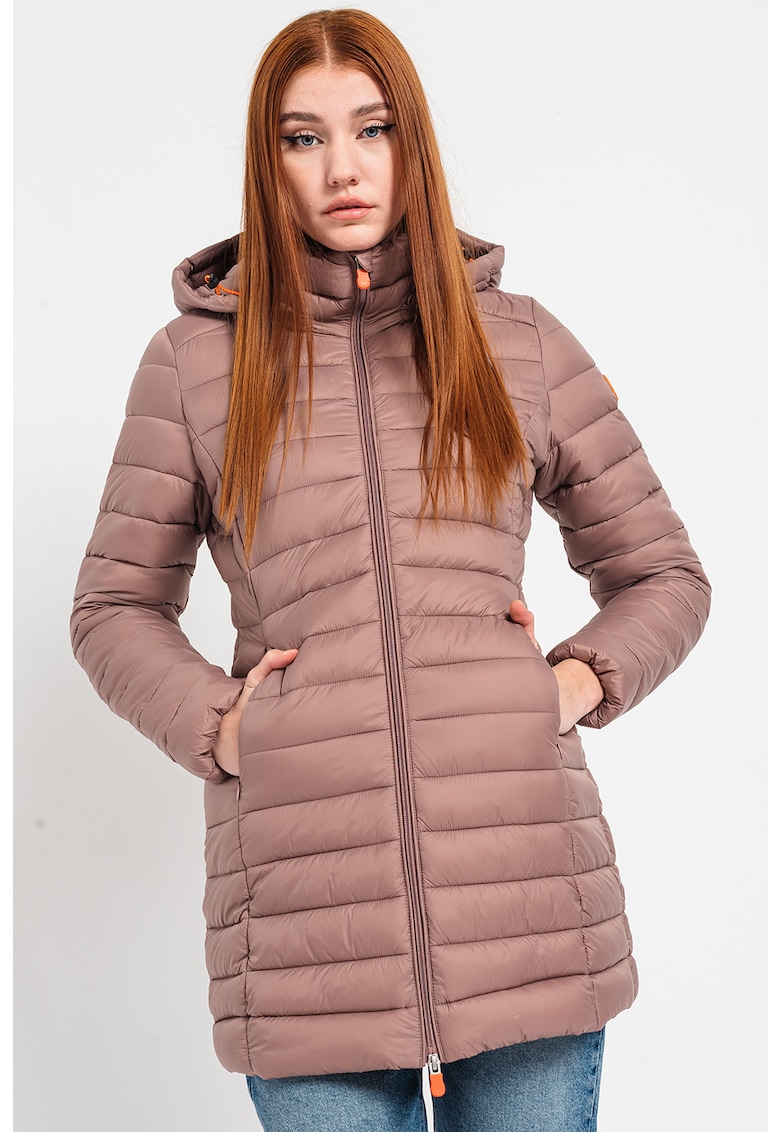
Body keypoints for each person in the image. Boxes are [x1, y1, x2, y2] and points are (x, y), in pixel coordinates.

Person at [70, 8, 711, 1130]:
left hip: (527, 911)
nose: (344, 168)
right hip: (304, 931)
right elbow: (114, 605)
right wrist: (225, 727)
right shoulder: (194, 363)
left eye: (373, 129)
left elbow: (663, 573)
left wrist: (571, 683)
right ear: (267, 160)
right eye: (303, 137)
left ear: (413, 141)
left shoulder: (520, 343)